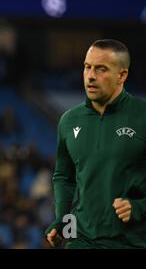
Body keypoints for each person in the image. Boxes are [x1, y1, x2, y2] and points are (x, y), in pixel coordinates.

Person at [46, 39, 146, 248]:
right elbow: (64, 177)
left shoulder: (142, 117)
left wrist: (138, 207)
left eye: (101, 69)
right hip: (82, 239)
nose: (91, 76)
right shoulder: (69, 120)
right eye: (87, 67)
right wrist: (62, 219)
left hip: (132, 242)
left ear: (122, 75)